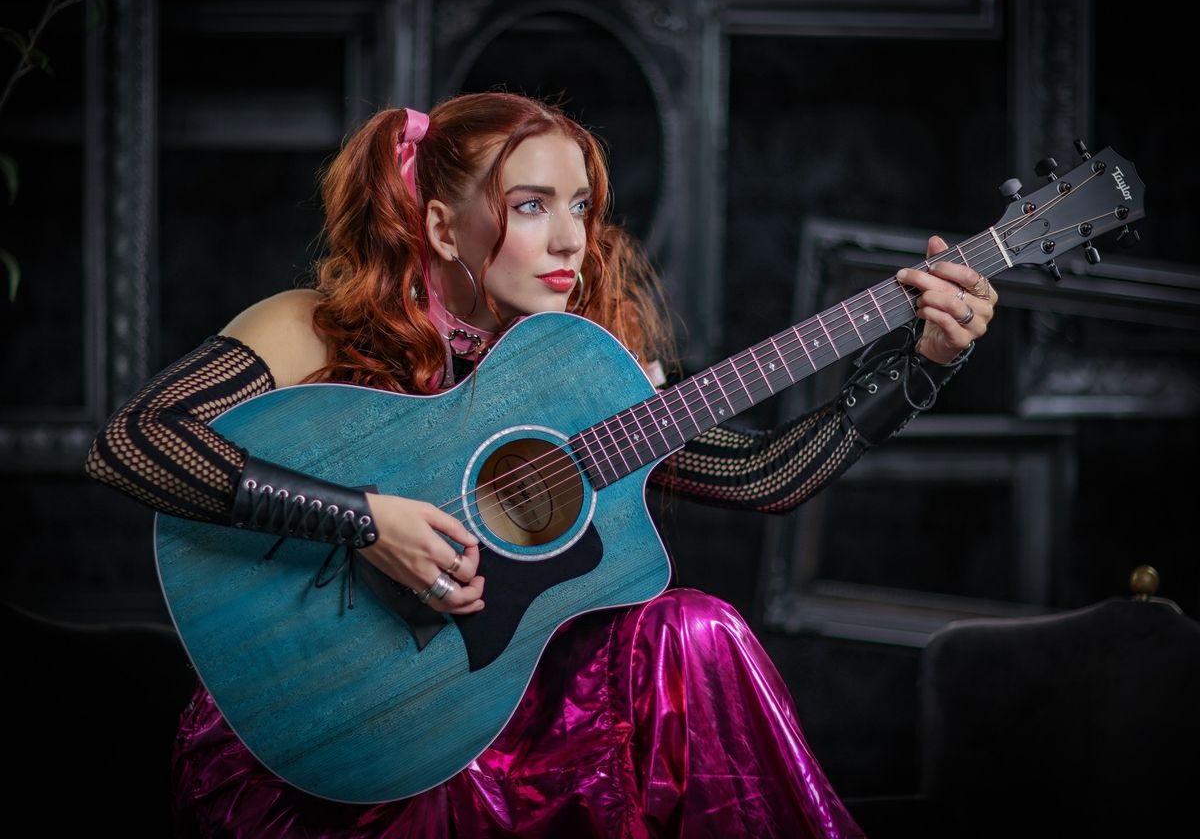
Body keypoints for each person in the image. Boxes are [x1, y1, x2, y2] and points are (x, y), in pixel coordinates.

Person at [86, 92, 996, 838]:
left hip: (506, 734)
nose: (571, 240)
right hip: (316, 744)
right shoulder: (310, 325)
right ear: (444, 227)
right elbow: (132, 444)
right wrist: (365, 519)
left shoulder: (577, 374)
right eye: (531, 206)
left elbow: (764, 477)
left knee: (698, 631)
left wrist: (919, 368)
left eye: (581, 206)